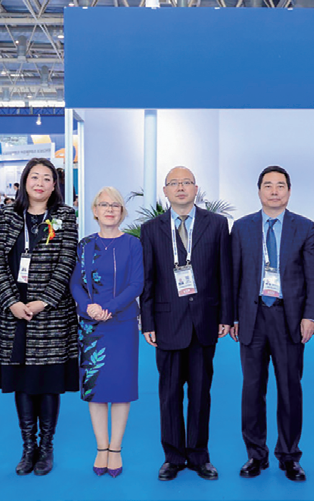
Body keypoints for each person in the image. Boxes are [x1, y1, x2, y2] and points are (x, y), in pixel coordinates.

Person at [140, 166, 233, 482]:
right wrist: (147, 321)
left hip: (205, 321)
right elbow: (148, 279)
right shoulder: (151, 229)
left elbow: (225, 274)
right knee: (169, 394)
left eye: (186, 182)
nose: (180, 187)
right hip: (166, 322)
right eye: (174, 183)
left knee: (201, 393)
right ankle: (173, 457)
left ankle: (199, 455)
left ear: (196, 188)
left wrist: (225, 316)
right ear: (165, 191)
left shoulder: (216, 224)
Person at [230, 166, 314, 481]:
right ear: (259, 191)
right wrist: (232, 317)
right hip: (252, 318)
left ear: (289, 191)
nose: (274, 191)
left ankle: (289, 456)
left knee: (290, 388)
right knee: (252, 390)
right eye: (268, 185)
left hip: (289, 319)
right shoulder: (241, 228)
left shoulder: (305, 228)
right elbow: (233, 276)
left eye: (280, 185)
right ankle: (256, 455)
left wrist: (310, 316)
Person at [0, 158, 79, 477]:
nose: (40, 183)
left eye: (47, 178)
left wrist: (43, 301)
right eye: (34, 177)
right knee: (24, 382)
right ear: (25, 182)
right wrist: (12, 301)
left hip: (51, 314)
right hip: (15, 312)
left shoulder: (64, 215)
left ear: (54, 185)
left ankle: (47, 446)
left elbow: (67, 261)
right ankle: (28, 448)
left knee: (49, 382)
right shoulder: (8, 215)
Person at [70, 187, 144, 478]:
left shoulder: (133, 244)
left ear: (122, 212)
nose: (110, 209)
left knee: (121, 388)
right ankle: (101, 447)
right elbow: (75, 283)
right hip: (91, 325)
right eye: (104, 205)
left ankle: (116, 448)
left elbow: (137, 283)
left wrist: (110, 308)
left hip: (122, 323)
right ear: (95, 211)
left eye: (115, 205)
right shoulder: (85, 244)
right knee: (96, 389)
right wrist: (88, 306)